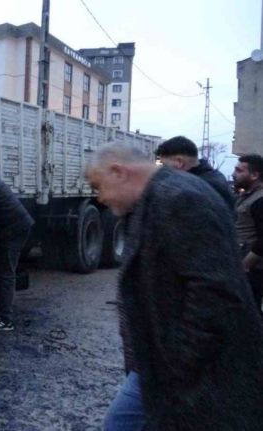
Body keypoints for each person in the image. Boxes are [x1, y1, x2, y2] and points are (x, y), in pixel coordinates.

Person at [85, 143, 263, 430]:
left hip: (196, 367)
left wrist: (177, 364)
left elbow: (214, 293)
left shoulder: (178, 199)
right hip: (166, 362)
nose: (100, 198)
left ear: (118, 172)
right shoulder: (159, 197)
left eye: (99, 186)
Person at [0, 173, 34, 332]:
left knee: (6, 272)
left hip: (14, 229)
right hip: (9, 228)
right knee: (1, 270)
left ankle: (5, 319)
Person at [154, 135, 235, 209]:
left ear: (179, 162)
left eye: (164, 165)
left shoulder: (195, 189)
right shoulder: (211, 179)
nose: (162, 170)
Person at [233, 154, 263, 311]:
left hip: (254, 270)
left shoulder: (260, 199)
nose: (234, 173)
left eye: (239, 170)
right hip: (244, 264)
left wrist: (245, 265)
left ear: (254, 175)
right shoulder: (246, 195)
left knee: (249, 311)